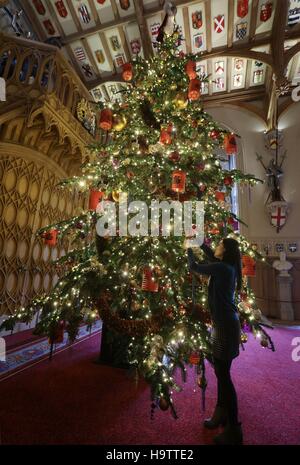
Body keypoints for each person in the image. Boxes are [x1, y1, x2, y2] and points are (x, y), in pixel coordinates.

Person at [185, 238, 243, 445]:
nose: (216, 247)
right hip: (223, 325)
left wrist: (188, 249)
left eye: (219, 245)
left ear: (225, 251)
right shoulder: (225, 266)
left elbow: (195, 267)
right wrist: (199, 243)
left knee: (224, 376)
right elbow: (210, 256)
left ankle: (234, 429)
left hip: (225, 327)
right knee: (220, 371)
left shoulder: (222, 268)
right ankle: (221, 413)